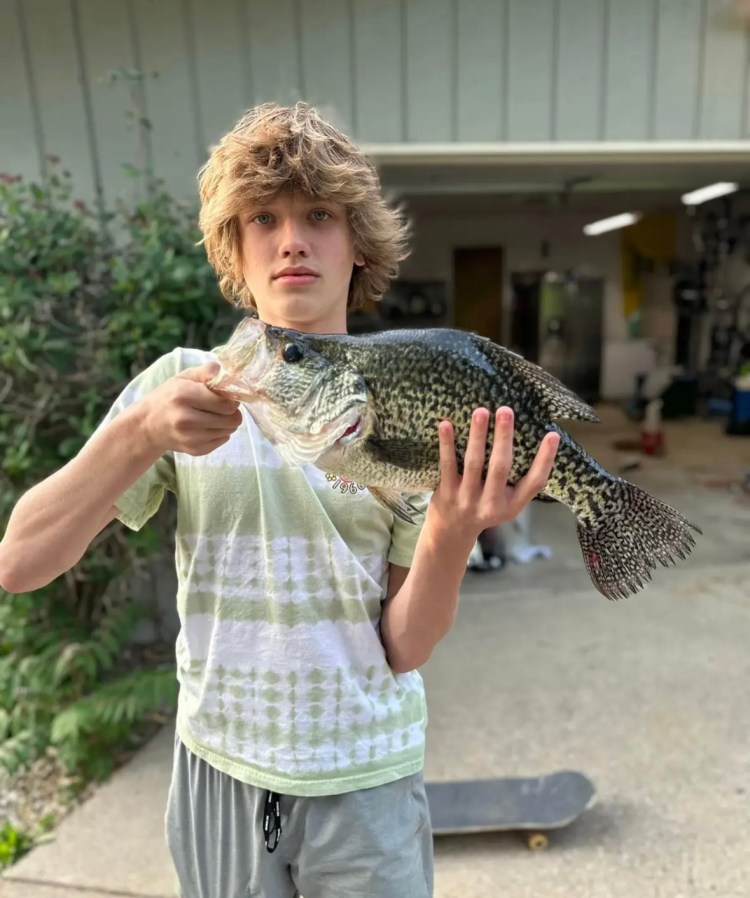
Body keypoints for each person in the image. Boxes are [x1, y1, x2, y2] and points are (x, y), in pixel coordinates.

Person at [0, 103, 559, 898]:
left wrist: (452, 529)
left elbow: (404, 646)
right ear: (235, 246)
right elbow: (20, 562)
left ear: (358, 244)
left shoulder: (404, 406)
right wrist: (139, 434)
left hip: (366, 775)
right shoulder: (178, 386)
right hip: (220, 767)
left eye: (319, 215)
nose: (292, 239)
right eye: (263, 218)